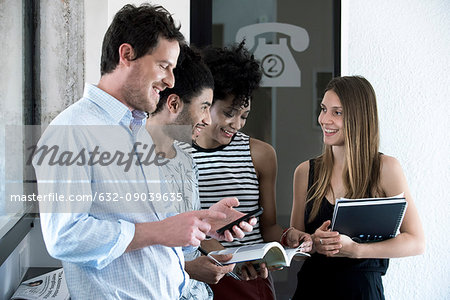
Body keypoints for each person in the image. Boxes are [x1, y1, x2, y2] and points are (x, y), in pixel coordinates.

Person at [32, 4, 254, 299]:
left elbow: (155, 228)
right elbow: (65, 237)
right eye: (164, 66)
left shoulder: (136, 131)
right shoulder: (72, 130)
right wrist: (159, 232)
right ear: (126, 55)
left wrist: (203, 224)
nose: (171, 81)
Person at [191, 42, 312, 300]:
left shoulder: (260, 155)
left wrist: (287, 237)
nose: (236, 124)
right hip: (196, 282)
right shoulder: (175, 154)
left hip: (249, 284)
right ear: (205, 101)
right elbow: (182, 226)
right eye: (229, 113)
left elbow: (267, 226)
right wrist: (225, 257)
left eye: (244, 115)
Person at [289, 76, 425, 299]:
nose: (324, 119)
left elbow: (416, 242)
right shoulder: (305, 172)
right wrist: (312, 241)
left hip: (363, 292)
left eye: (337, 112)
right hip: (311, 289)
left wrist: (358, 251)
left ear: (359, 118)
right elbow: (297, 253)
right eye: (323, 109)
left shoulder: (386, 169)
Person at [147, 44, 237, 299]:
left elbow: (187, 237)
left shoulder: (187, 162)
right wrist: (187, 269)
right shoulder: (126, 162)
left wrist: (211, 223)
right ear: (174, 103)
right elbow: (126, 248)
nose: (208, 119)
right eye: (204, 107)